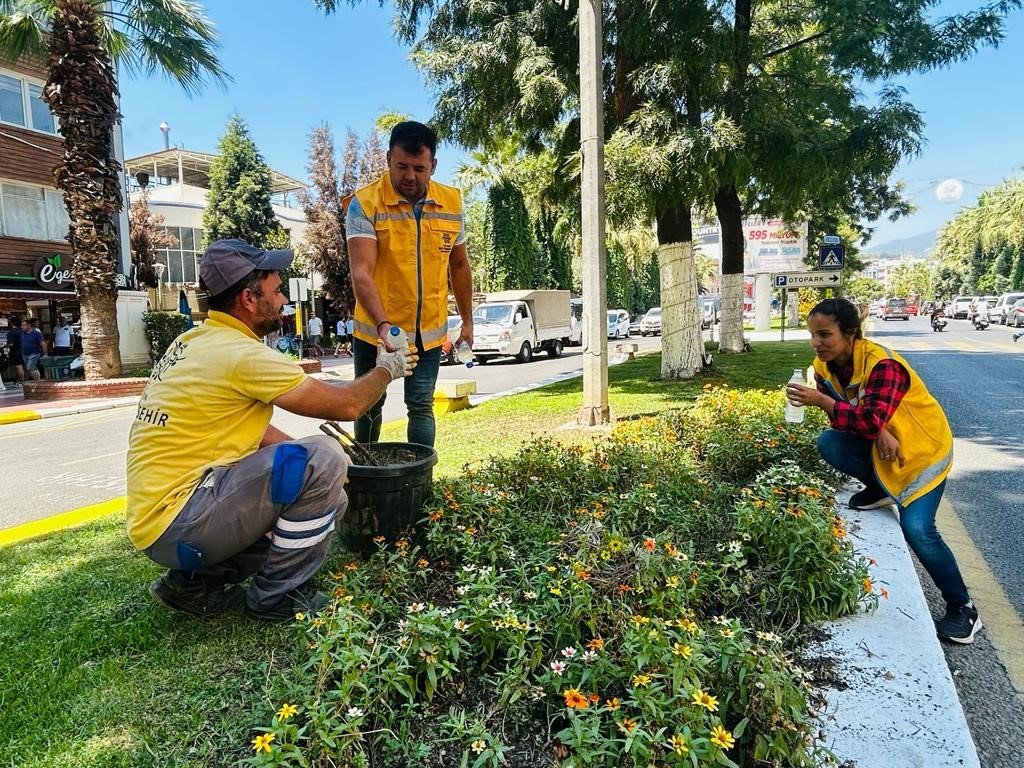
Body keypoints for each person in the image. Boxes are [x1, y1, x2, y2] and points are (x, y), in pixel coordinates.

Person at [126, 238, 417, 621]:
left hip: (160, 528)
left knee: (329, 489)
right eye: (277, 291)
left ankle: (192, 583)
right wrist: (387, 369)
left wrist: (319, 482)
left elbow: (250, 432)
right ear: (249, 298)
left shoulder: (193, 341)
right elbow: (346, 406)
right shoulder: (243, 355)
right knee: (327, 457)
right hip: (185, 522)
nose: (283, 301)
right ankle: (277, 596)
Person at [786, 298, 981, 644]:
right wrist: (877, 430)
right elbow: (847, 418)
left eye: (825, 334)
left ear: (850, 333)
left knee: (918, 529)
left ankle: (963, 607)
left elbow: (858, 413)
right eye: (813, 335)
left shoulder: (883, 365)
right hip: (887, 447)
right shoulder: (824, 367)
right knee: (830, 443)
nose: (817, 343)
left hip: (923, 452)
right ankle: (878, 487)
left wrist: (847, 412)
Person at [345, 120, 474, 447]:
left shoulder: (452, 204)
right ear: (388, 158)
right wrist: (384, 325)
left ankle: (419, 484)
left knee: (420, 406)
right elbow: (361, 271)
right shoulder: (365, 203)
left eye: (419, 168)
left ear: (433, 165)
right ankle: (368, 479)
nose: (410, 176)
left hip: (429, 332)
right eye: (401, 166)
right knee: (369, 406)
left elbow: (458, 265)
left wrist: (468, 321)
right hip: (375, 333)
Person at [6, 317, 24, 385]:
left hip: (16, 351)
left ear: (11, 323)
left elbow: (11, 344)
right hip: (25, 350)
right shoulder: (24, 330)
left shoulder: (11, 332)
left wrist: (3, 346)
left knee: (18, 366)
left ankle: (22, 382)